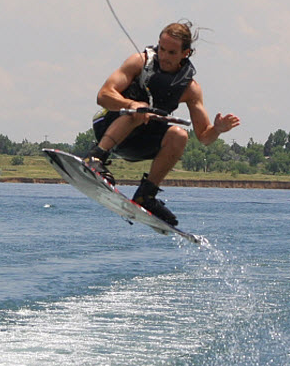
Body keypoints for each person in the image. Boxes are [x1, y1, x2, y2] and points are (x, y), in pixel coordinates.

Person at [83, 21, 241, 226]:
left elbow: (204, 138)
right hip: (109, 126)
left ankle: (145, 195)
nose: (165, 56)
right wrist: (132, 104)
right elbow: (103, 95)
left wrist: (218, 130)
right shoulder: (139, 62)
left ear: (186, 53)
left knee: (180, 135)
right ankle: (95, 158)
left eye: (172, 52)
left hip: (139, 144)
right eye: (162, 49)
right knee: (139, 112)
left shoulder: (190, 88)